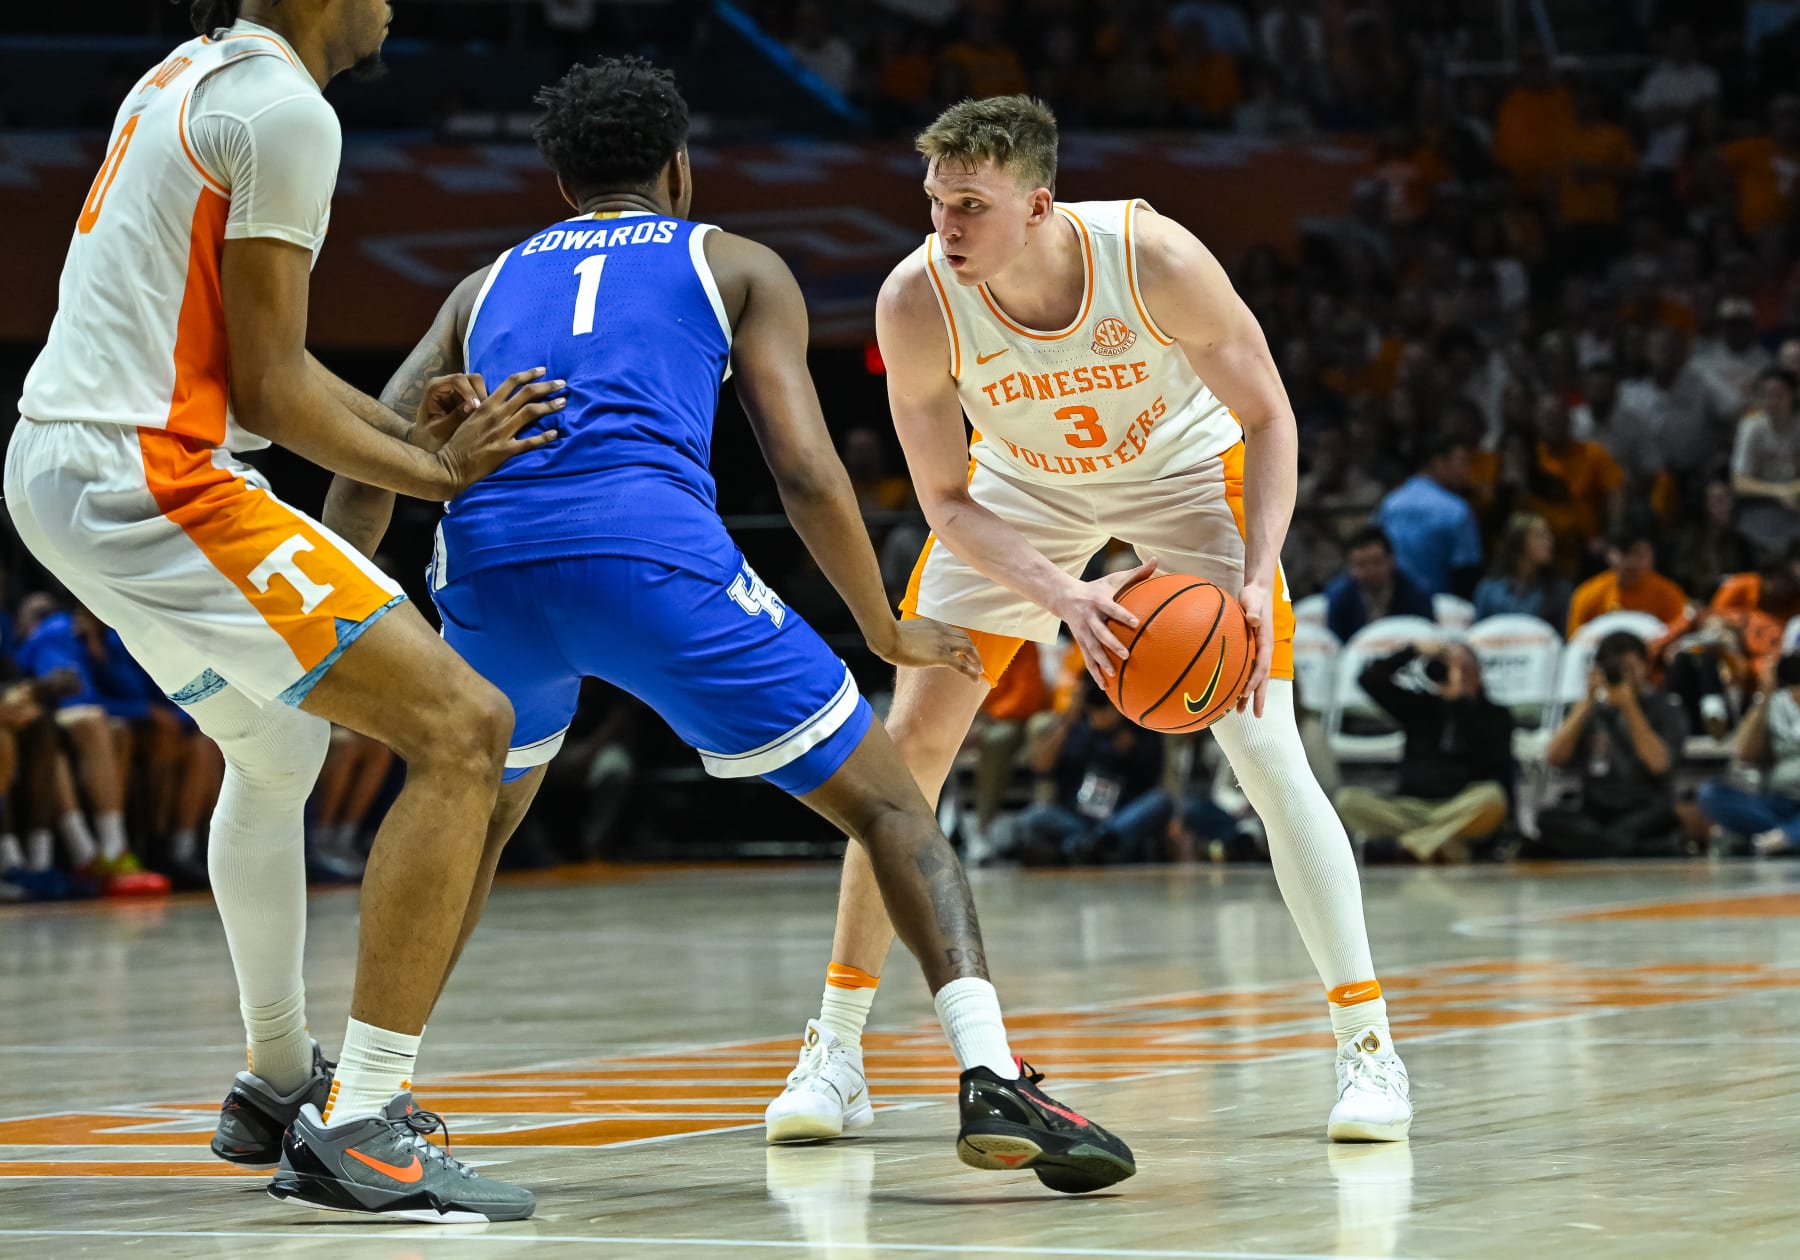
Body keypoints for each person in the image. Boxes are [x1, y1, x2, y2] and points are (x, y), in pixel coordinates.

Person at [324, 60, 1135, 1195]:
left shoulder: (480, 284)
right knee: (895, 808)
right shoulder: (734, 260)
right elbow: (803, 470)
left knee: (473, 819)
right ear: (681, 168)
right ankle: (993, 1075)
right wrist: (883, 628)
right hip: (653, 560)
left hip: (490, 572)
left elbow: (368, 448)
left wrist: (349, 628)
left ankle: (360, 1100)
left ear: (561, 181)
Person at [5, 0, 569, 1222]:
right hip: (147, 476)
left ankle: (275, 1080)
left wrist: (392, 429)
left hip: (68, 463)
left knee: (278, 747)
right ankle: (364, 1123)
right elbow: (269, 383)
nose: (389, 5)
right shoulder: (284, 110)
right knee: (464, 730)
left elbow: (266, 379)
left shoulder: (187, 73)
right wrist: (442, 475)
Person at [765, 95, 1411, 1147]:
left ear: (1039, 204)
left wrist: (1256, 578)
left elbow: (1270, 416)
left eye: (971, 206)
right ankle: (835, 1053)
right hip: (1020, 495)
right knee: (905, 752)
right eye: (936, 204)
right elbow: (945, 501)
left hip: (1188, 480)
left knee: (1262, 746)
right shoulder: (916, 300)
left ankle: (1370, 1051)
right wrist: (1062, 596)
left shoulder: (1152, 256)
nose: (948, 228)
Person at [1333, 644, 1512, 863]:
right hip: (1409, 810)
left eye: (1464, 667)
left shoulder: (1496, 716)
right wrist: (1412, 650)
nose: (1456, 674)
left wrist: (1460, 704)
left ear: (1479, 673)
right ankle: (1438, 845)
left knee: (1493, 798)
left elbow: (1493, 761)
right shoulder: (1421, 706)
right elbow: (1369, 680)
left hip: (1459, 806)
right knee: (1346, 800)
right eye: (1448, 667)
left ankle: (1405, 846)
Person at [1536, 631, 1689, 858]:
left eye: (1629, 668)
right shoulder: (1588, 710)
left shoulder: (1665, 709)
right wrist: (1586, 702)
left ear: (1645, 667)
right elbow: (1554, 757)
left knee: (1662, 818)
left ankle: (1600, 847)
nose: (1623, 675)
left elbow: (1660, 764)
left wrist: (1629, 707)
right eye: (1615, 668)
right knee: (1547, 818)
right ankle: (1629, 849)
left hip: (1644, 806)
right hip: (1595, 807)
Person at [1014, 676, 1171, 865]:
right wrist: (1068, 718)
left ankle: (1082, 848)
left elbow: (1153, 777)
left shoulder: (1138, 729)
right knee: (1033, 818)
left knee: (1160, 801)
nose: (1100, 707)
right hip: (1075, 819)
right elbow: (1041, 766)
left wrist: (1132, 749)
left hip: (1119, 819)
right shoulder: (1074, 729)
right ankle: (1091, 847)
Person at [1696, 652, 1800, 856]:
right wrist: (1765, 693)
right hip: (1777, 801)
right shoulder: (1775, 702)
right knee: (1710, 793)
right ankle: (1787, 836)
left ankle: (1782, 838)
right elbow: (1744, 753)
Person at [1373, 434, 1484, 597]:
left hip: (1393, 604)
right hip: (1443, 608)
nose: (1466, 471)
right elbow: (1466, 572)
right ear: (1438, 462)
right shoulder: (1456, 509)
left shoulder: (1390, 502)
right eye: (1462, 462)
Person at [1566, 526, 1690, 637]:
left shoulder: (1669, 593)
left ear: (1653, 556)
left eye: (1640, 554)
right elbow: (1575, 639)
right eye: (1625, 553)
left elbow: (1683, 632)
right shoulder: (1587, 593)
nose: (1632, 562)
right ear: (1609, 555)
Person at [1324, 525, 1435, 642]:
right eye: (1361, 564)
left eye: (1377, 562)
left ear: (1392, 560)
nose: (1371, 571)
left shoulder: (1418, 593)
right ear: (1349, 567)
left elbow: (1427, 637)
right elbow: (1335, 643)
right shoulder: (1339, 596)